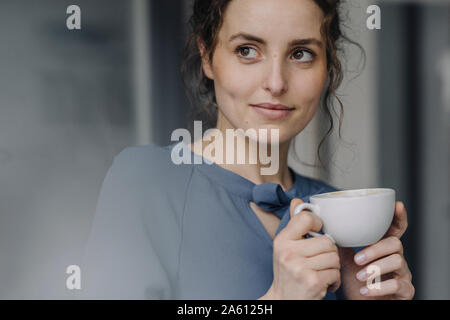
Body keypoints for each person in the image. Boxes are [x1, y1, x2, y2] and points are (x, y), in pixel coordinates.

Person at [81, 0, 414, 300]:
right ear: (207, 55)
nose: (276, 82)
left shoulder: (341, 218)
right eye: (247, 50)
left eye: (301, 53)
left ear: (327, 66)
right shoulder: (145, 184)